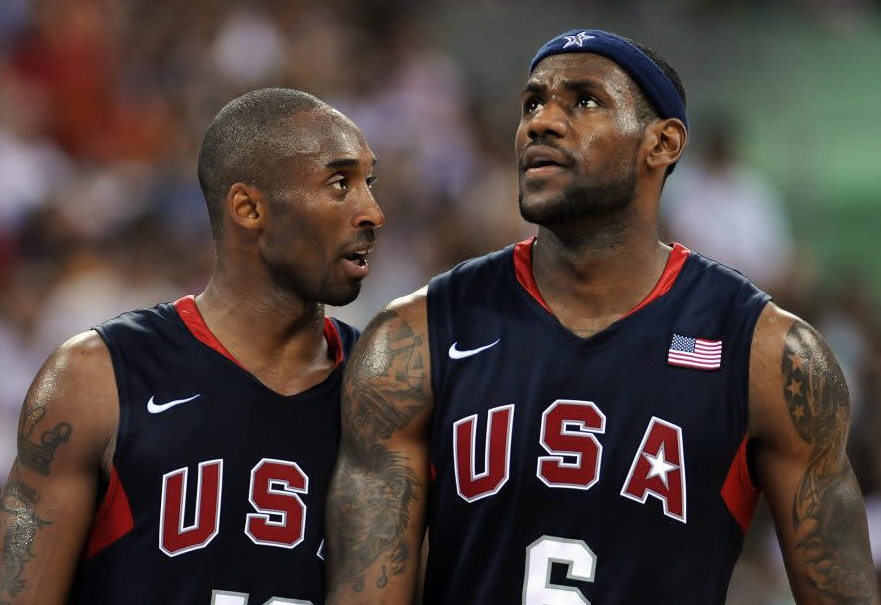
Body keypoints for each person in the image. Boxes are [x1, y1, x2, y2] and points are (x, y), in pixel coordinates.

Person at [324, 30, 879, 604]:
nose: (541, 122)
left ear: (662, 144)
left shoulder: (766, 354)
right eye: (532, 103)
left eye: (585, 101)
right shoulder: (415, 339)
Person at [0, 87, 384, 604]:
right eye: (339, 183)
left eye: (368, 183)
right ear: (248, 207)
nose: (373, 211)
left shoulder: (391, 393)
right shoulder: (96, 379)